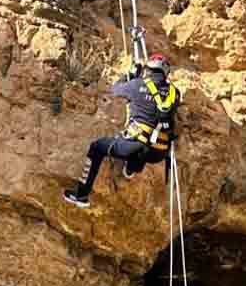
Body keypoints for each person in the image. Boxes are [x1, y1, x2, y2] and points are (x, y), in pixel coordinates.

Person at [64, 50, 179, 208]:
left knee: (97, 148)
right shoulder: (175, 93)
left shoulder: (137, 84)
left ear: (148, 69)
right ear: (165, 73)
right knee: (142, 150)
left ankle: (81, 195)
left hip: (134, 145)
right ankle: (131, 168)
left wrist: (130, 75)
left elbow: (115, 89)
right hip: (159, 152)